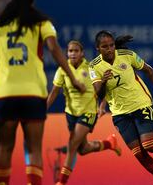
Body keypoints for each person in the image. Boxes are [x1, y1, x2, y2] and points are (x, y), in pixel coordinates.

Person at [0, 0, 85, 185]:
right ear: (31, 4)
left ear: (11, 3)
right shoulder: (41, 24)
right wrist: (73, 78)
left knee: (4, 147)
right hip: (33, 94)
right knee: (34, 148)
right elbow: (54, 49)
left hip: (4, 94)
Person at [88, 30, 153, 185]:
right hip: (120, 113)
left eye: (111, 45)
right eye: (105, 46)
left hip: (140, 104)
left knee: (148, 144)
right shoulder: (94, 66)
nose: (109, 49)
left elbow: (149, 70)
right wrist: (102, 81)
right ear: (98, 49)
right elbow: (99, 93)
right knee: (139, 154)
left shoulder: (126, 55)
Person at [47, 40, 121, 185]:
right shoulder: (63, 69)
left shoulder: (90, 68)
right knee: (82, 148)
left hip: (88, 111)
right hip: (71, 114)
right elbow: (54, 92)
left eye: (76, 51)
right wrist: (42, 110)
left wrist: (102, 106)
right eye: (70, 51)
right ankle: (109, 143)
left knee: (72, 144)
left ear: (82, 53)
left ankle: (61, 182)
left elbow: (103, 89)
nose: (72, 54)